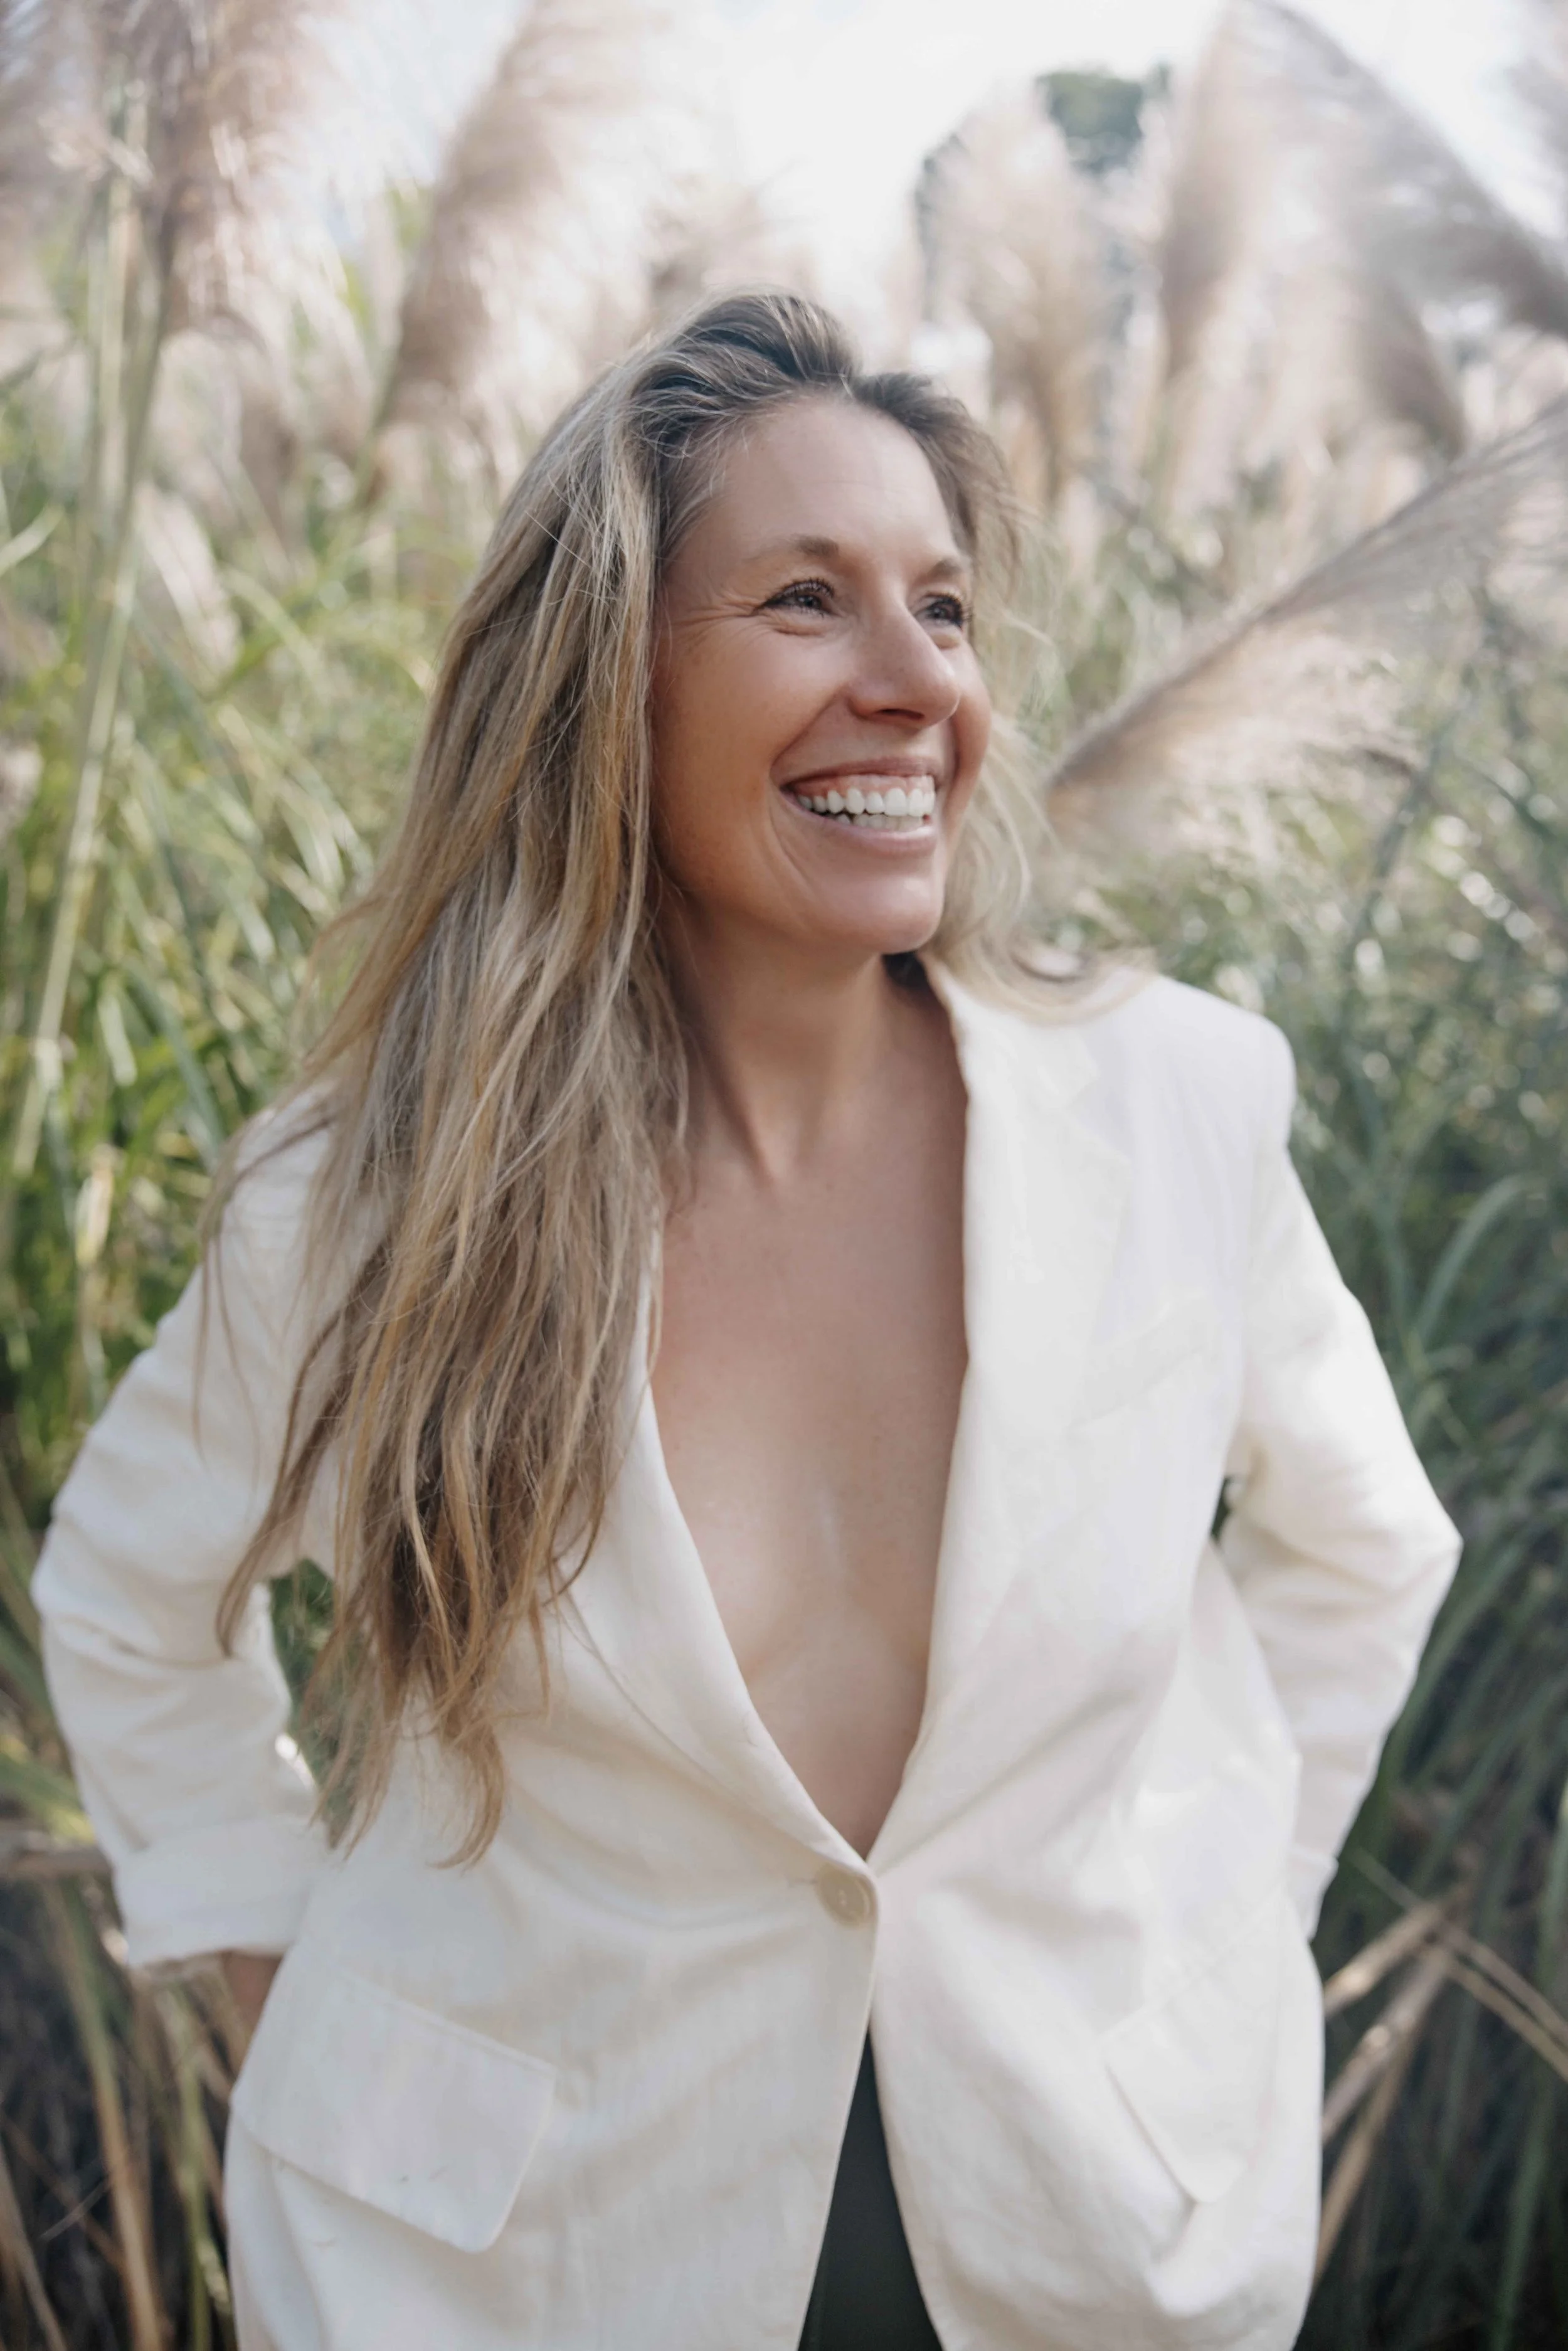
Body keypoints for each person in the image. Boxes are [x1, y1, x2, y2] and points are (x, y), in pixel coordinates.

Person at [35, 292, 1459, 2351]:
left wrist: (1223, 1915)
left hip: (1078, 2233)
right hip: (508, 2265)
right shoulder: (374, 1190)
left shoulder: (1179, 1105)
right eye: (807, 600)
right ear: (601, 680)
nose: (913, 686)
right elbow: (126, 1595)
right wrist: (280, 1957)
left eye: (944, 608)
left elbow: (1363, 1543)